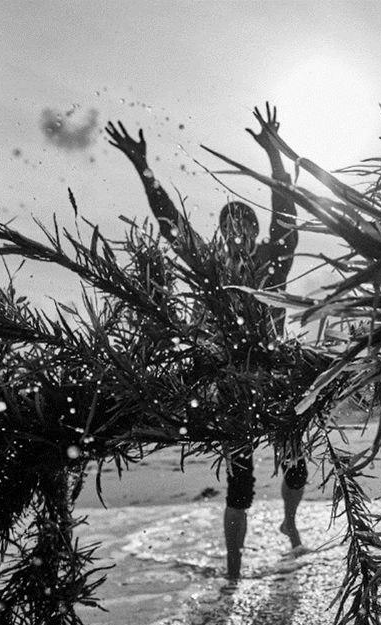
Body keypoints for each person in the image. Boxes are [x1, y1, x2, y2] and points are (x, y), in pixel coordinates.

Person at [106, 105, 308, 580]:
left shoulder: (272, 267)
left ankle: (290, 524)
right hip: (231, 381)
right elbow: (171, 226)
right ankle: (235, 571)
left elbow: (287, 217)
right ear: (220, 235)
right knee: (241, 480)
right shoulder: (212, 274)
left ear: (256, 234)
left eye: (246, 228)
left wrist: (276, 158)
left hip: (276, 373)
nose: (238, 234)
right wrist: (144, 167)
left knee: (297, 463)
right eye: (229, 228)